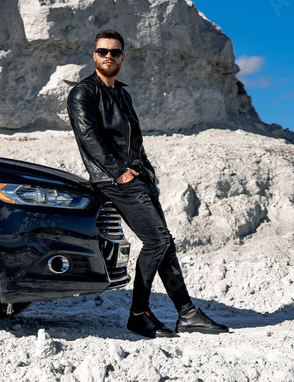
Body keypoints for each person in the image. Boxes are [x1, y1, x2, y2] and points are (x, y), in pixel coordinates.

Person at [67, 29, 229, 338]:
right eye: (103, 51)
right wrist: (120, 172)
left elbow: (134, 142)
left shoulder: (122, 93)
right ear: (94, 55)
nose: (109, 56)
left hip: (138, 178)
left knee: (165, 245)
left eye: (115, 52)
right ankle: (138, 315)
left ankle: (188, 314)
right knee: (157, 242)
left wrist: (147, 169)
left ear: (123, 57)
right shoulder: (84, 92)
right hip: (113, 179)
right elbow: (90, 138)